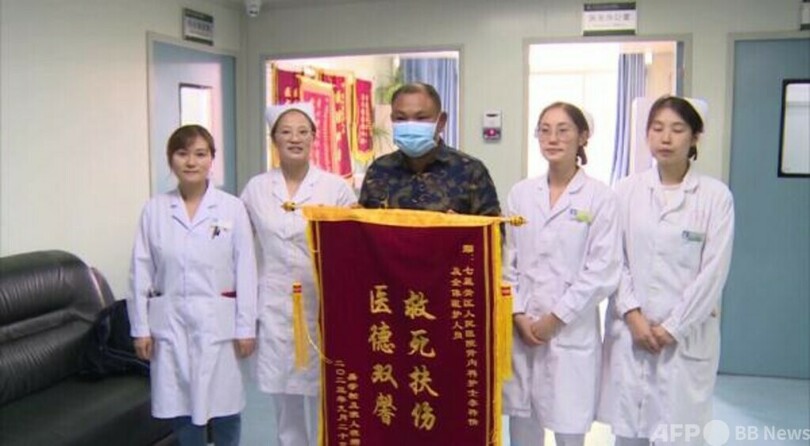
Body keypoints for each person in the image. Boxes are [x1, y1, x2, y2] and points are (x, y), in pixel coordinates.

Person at [597, 96, 735, 446]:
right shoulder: (625, 191)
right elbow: (614, 259)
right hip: (632, 333)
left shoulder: (715, 197)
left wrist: (674, 326)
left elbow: (713, 272)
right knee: (629, 434)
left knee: (679, 435)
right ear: (647, 135)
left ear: (695, 137)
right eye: (657, 128)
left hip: (684, 338)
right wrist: (633, 315)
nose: (666, 138)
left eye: (677, 129)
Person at [127, 124, 257, 446]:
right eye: (182, 153)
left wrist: (246, 327)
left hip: (219, 324)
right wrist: (140, 328)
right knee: (182, 406)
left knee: (225, 407)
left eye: (200, 154)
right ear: (170, 159)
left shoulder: (231, 208)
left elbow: (246, 270)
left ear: (212, 159)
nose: (191, 162)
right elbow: (140, 272)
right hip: (171, 325)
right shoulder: (155, 209)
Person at [502, 102, 621, 446]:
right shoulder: (521, 193)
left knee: (569, 430)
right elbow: (507, 262)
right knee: (523, 430)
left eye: (563, 130)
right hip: (524, 330)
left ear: (582, 137)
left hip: (570, 330)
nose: (552, 138)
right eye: (545, 130)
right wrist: (518, 315)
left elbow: (602, 270)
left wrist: (556, 318)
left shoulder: (600, 197)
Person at [240, 102, 357, 446]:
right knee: (285, 402)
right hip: (275, 305)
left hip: (323, 305)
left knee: (327, 397)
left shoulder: (335, 188)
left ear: (314, 138)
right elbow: (238, 245)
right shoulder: (256, 189)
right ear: (273, 139)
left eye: (303, 131)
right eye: (286, 132)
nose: (295, 138)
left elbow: (355, 243)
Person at [359, 82, 501, 215]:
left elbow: (493, 230)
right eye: (401, 118)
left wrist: (459, 228)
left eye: (421, 118)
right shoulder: (378, 170)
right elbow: (361, 227)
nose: (410, 125)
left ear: (441, 122)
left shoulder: (471, 172)